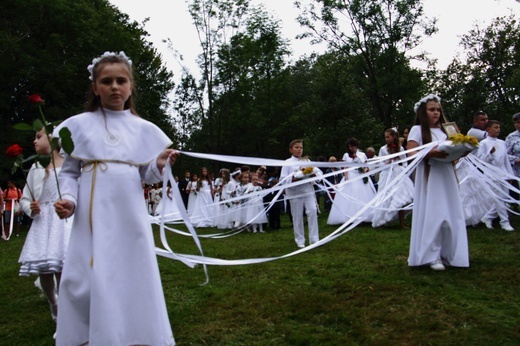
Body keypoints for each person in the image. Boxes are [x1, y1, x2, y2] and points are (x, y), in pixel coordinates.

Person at [53, 51, 177, 345]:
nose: (114, 87)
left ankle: (135, 332)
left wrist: (159, 164)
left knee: (130, 271)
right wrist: (69, 200)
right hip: (93, 215)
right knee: (85, 276)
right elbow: (69, 172)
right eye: (106, 81)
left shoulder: (142, 128)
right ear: (95, 87)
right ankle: (88, 333)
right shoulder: (79, 125)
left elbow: (146, 175)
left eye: (121, 81)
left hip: (128, 213)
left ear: (131, 86)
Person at [407, 94, 469, 271]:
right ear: (423, 112)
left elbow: (455, 153)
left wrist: (463, 151)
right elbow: (411, 154)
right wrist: (432, 153)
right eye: (432, 109)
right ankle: (431, 255)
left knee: (451, 213)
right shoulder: (417, 130)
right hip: (430, 175)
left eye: (438, 109)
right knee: (434, 213)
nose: (436, 113)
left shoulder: (447, 131)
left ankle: (452, 253)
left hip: (447, 175)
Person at [18, 128, 72, 328]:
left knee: (61, 267)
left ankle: (66, 313)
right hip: (43, 222)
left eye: (39, 136)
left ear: (54, 139)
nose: (34, 141)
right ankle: (53, 302)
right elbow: (25, 198)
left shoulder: (68, 166)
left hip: (61, 222)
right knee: (45, 269)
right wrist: (30, 208)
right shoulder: (35, 168)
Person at [279, 139, 322, 248]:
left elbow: (318, 173)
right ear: (291, 150)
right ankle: (300, 240)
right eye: (297, 147)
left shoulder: (307, 161)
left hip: (308, 192)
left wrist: (312, 175)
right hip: (295, 193)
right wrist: (297, 177)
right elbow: (283, 179)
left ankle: (314, 239)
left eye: (301, 147)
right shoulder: (287, 162)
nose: (299, 149)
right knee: (297, 217)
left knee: (312, 212)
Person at [371, 128, 414, 228]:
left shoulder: (400, 149)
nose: (386, 139)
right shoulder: (383, 149)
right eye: (385, 137)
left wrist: (401, 168)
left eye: (388, 137)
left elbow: (404, 162)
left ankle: (401, 223)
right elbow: (380, 163)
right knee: (385, 197)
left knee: (400, 198)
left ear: (394, 137)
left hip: (397, 174)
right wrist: (388, 162)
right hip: (386, 174)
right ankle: (381, 220)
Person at [327, 138, 376, 225]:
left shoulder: (362, 154)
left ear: (356, 146)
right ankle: (349, 216)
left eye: (352, 146)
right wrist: (346, 177)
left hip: (360, 176)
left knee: (362, 194)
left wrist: (365, 169)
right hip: (351, 175)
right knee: (350, 195)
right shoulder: (346, 155)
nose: (350, 148)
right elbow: (345, 167)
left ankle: (364, 216)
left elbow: (365, 165)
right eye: (349, 147)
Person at [477, 120, 515, 231]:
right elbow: (480, 160)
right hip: (491, 174)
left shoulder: (502, 142)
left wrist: (510, 175)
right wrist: (490, 154)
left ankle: (487, 217)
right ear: (488, 129)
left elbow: (506, 160)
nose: (498, 129)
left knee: (505, 197)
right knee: (499, 198)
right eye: (495, 127)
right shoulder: (483, 143)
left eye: (499, 127)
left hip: (502, 173)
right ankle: (504, 222)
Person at [505, 112, 520, 208]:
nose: (517, 125)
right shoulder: (511, 137)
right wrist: (515, 159)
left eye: (519, 122)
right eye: (515, 123)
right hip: (517, 170)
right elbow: (504, 154)